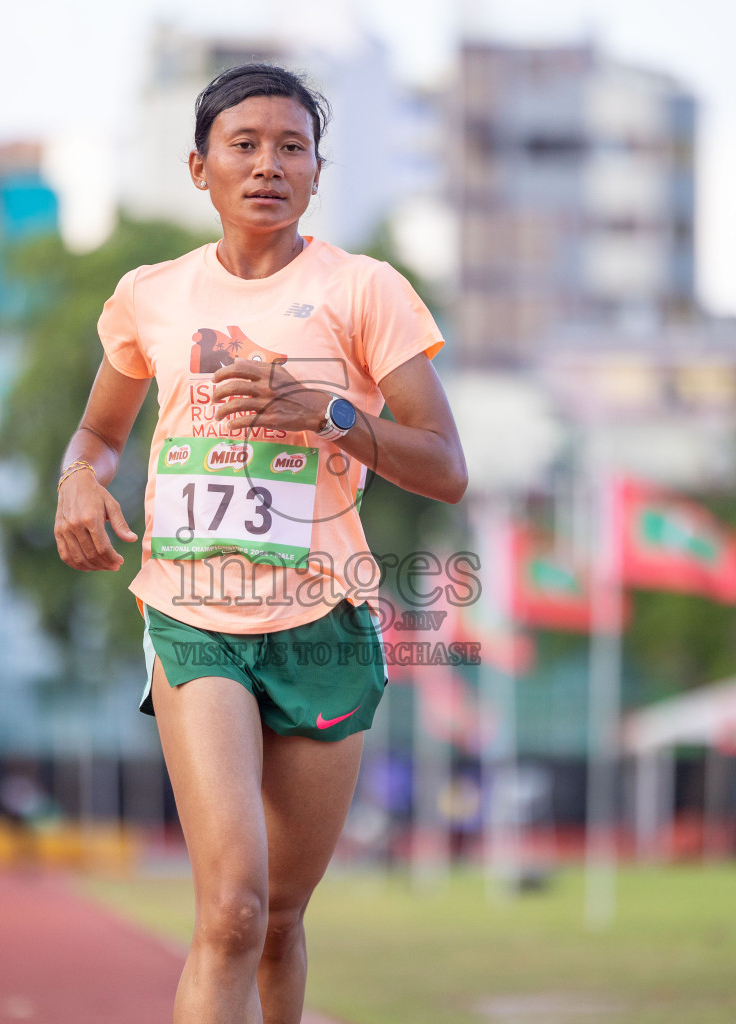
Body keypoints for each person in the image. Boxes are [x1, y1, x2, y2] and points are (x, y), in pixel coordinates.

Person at [53, 63, 467, 1024]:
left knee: (280, 917)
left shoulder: (366, 293)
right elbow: (100, 435)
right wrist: (76, 478)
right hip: (192, 618)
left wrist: (322, 412)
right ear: (199, 168)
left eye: (293, 147)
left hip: (322, 625)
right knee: (232, 908)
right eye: (245, 145)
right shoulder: (149, 297)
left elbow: (445, 466)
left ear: (318, 172)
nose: (268, 164)